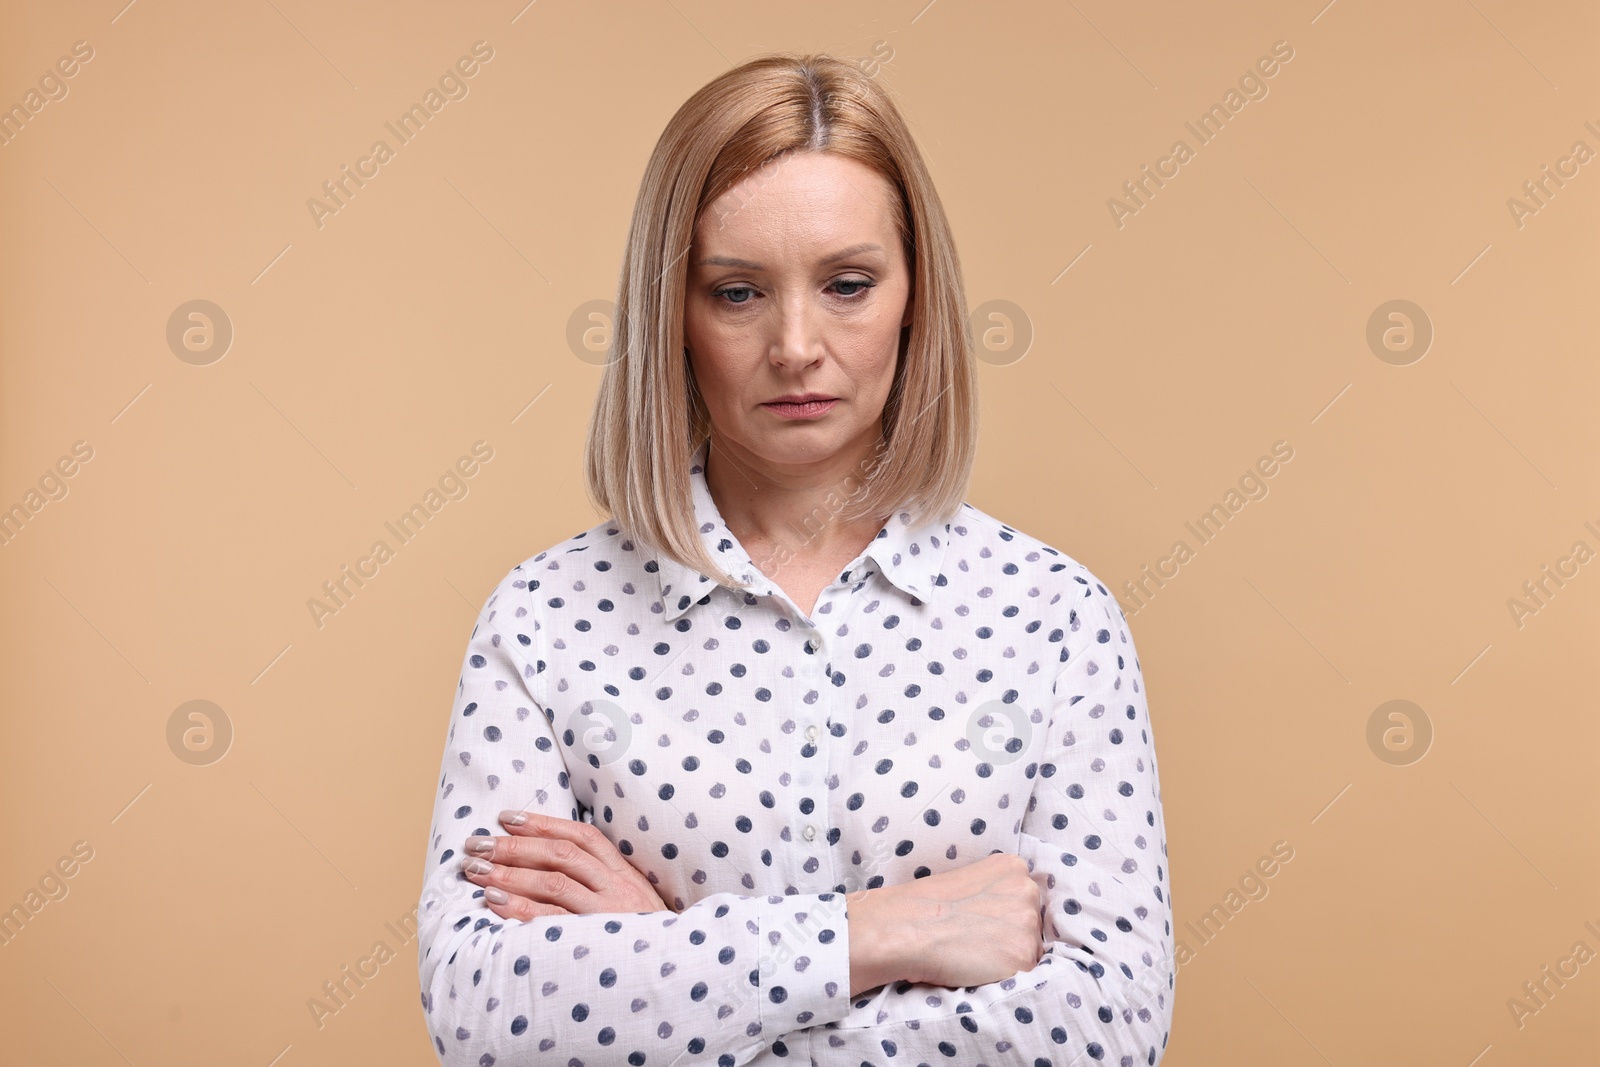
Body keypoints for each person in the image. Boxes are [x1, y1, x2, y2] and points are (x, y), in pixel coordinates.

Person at [415, 52, 1175, 1067]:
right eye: (737, 292)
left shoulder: (1056, 617)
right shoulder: (547, 618)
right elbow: (486, 1015)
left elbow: (1108, 1030)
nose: (795, 344)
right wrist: (879, 934)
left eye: (848, 283)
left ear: (917, 300)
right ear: (672, 317)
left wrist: (652, 952)